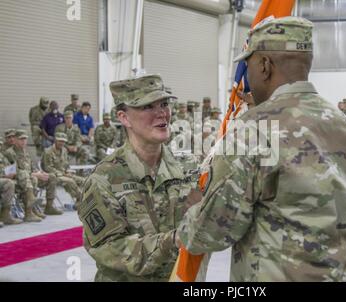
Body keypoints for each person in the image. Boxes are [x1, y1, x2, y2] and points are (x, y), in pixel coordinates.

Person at [178, 17, 346, 282]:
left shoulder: (253, 130)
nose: (246, 77)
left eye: (248, 66)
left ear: (264, 66)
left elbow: (214, 231)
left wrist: (194, 210)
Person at [77, 74, 202, 282]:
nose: (161, 113)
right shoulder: (104, 178)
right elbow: (111, 249)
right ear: (124, 118)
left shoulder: (189, 168)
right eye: (147, 107)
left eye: (163, 104)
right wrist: (173, 240)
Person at [3, 130, 58, 220]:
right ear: (15, 140)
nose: (24, 141)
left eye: (25, 139)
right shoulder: (10, 153)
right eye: (21, 139)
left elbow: (32, 166)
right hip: (20, 180)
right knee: (32, 178)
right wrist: (35, 174)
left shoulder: (25, 152)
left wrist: (40, 172)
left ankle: (49, 207)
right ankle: (29, 211)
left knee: (51, 177)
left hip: (30, 177)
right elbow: (16, 171)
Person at [41, 132, 84, 207]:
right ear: (55, 140)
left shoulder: (64, 150)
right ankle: (81, 198)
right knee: (70, 181)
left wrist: (68, 171)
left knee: (83, 180)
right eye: (60, 141)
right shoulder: (48, 152)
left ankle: (79, 200)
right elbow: (47, 168)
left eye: (63, 141)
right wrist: (62, 173)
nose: (62, 143)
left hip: (64, 173)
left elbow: (66, 164)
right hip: (53, 176)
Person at [0, 151, 22, 225]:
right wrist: (4, 176)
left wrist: (9, 173)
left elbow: (8, 167)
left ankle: (5, 215)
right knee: (9, 183)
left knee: (11, 182)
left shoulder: (1, 156)